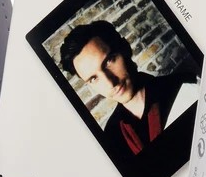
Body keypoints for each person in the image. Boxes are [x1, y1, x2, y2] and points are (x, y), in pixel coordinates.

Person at [59, 19, 195, 159]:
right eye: (93, 78)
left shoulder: (187, 86)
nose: (110, 83)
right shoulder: (111, 137)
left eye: (109, 61)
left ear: (125, 48)